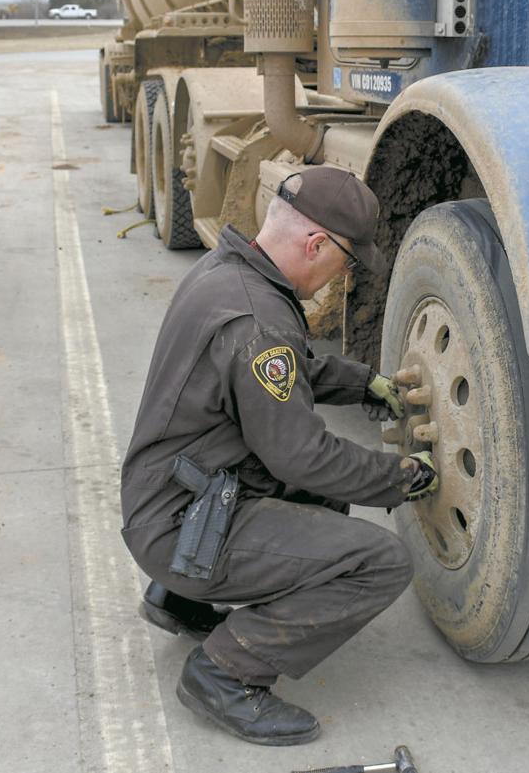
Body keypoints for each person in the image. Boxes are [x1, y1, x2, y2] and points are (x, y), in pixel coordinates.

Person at [120, 165, 438, 746]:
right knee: (379, 561)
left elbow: (293, 371)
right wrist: (398, 477)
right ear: (316, 243)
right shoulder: (259, 321)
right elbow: (302, 456)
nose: (342, 279)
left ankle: (179, 597)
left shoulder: (228, 273)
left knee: (325, 494)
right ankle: (224, 673)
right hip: (177, 523)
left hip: (171, 493)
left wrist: (364, 382)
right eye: (345, 263)